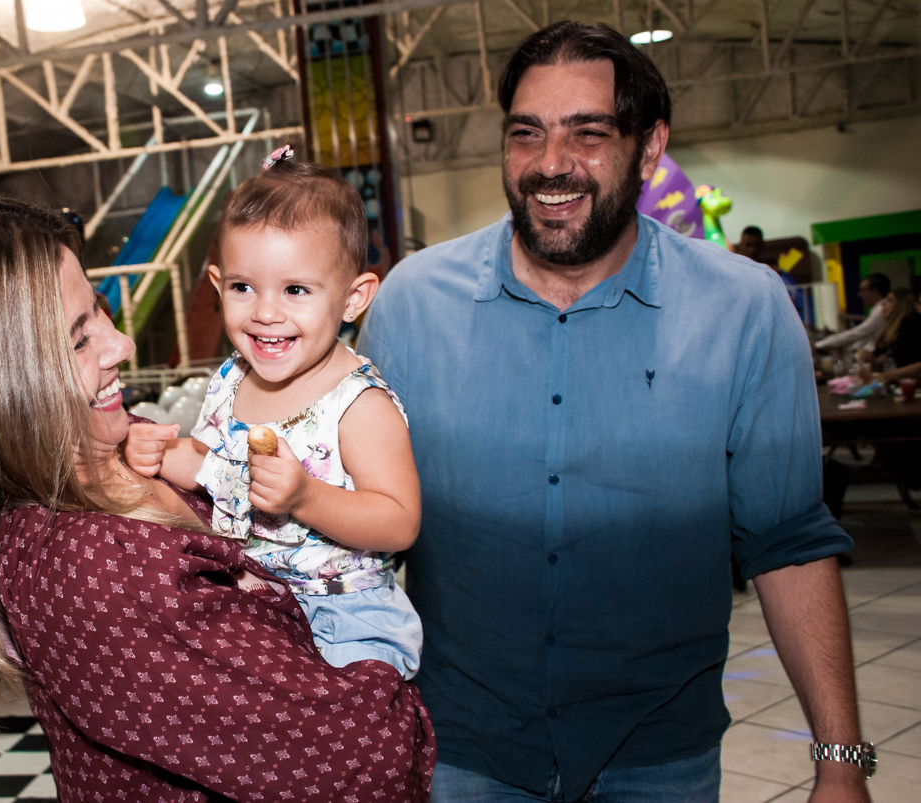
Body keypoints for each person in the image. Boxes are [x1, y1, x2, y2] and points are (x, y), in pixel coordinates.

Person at [360, 21, 870, 803]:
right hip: (460, 750)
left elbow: (788, 541)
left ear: (650, 145)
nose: (551, 164)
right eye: (526, 133)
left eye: (587, 133)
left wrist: (839, 760)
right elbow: (354, 530)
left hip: (658, 756)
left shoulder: (745, 311)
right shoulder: (410, 305)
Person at [0, 193, 436, 802]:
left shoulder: (125, 451)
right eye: (78, 341)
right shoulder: (91, 563)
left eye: (99, 311)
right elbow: (369, 755)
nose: (123, 345)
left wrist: (191, 464)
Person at [125, 153, 424, 680]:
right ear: (217, 285)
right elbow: (213, 467)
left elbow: (398, 522)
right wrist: (161, 451)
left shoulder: (357, 405)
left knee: (340, 745)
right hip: (253, 596)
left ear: (353, 298)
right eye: (243, 287)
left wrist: (306, 497)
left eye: (295, 290)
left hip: (345, 615)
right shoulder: (231, 380)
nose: (266, 312)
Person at [814, 272, 890, 352]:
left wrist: (820, 344)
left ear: (876, 292)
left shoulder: (880, 310)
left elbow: (858, 332)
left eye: (863, 290)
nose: (859, 294)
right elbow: (863, 336)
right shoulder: (877, 309)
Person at [868, 288, 921, 372]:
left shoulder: (909, 324)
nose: (883, 304)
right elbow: (877, 353)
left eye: (890, 300)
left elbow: (902, 359)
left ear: (901, 306)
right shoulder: (887, 329)